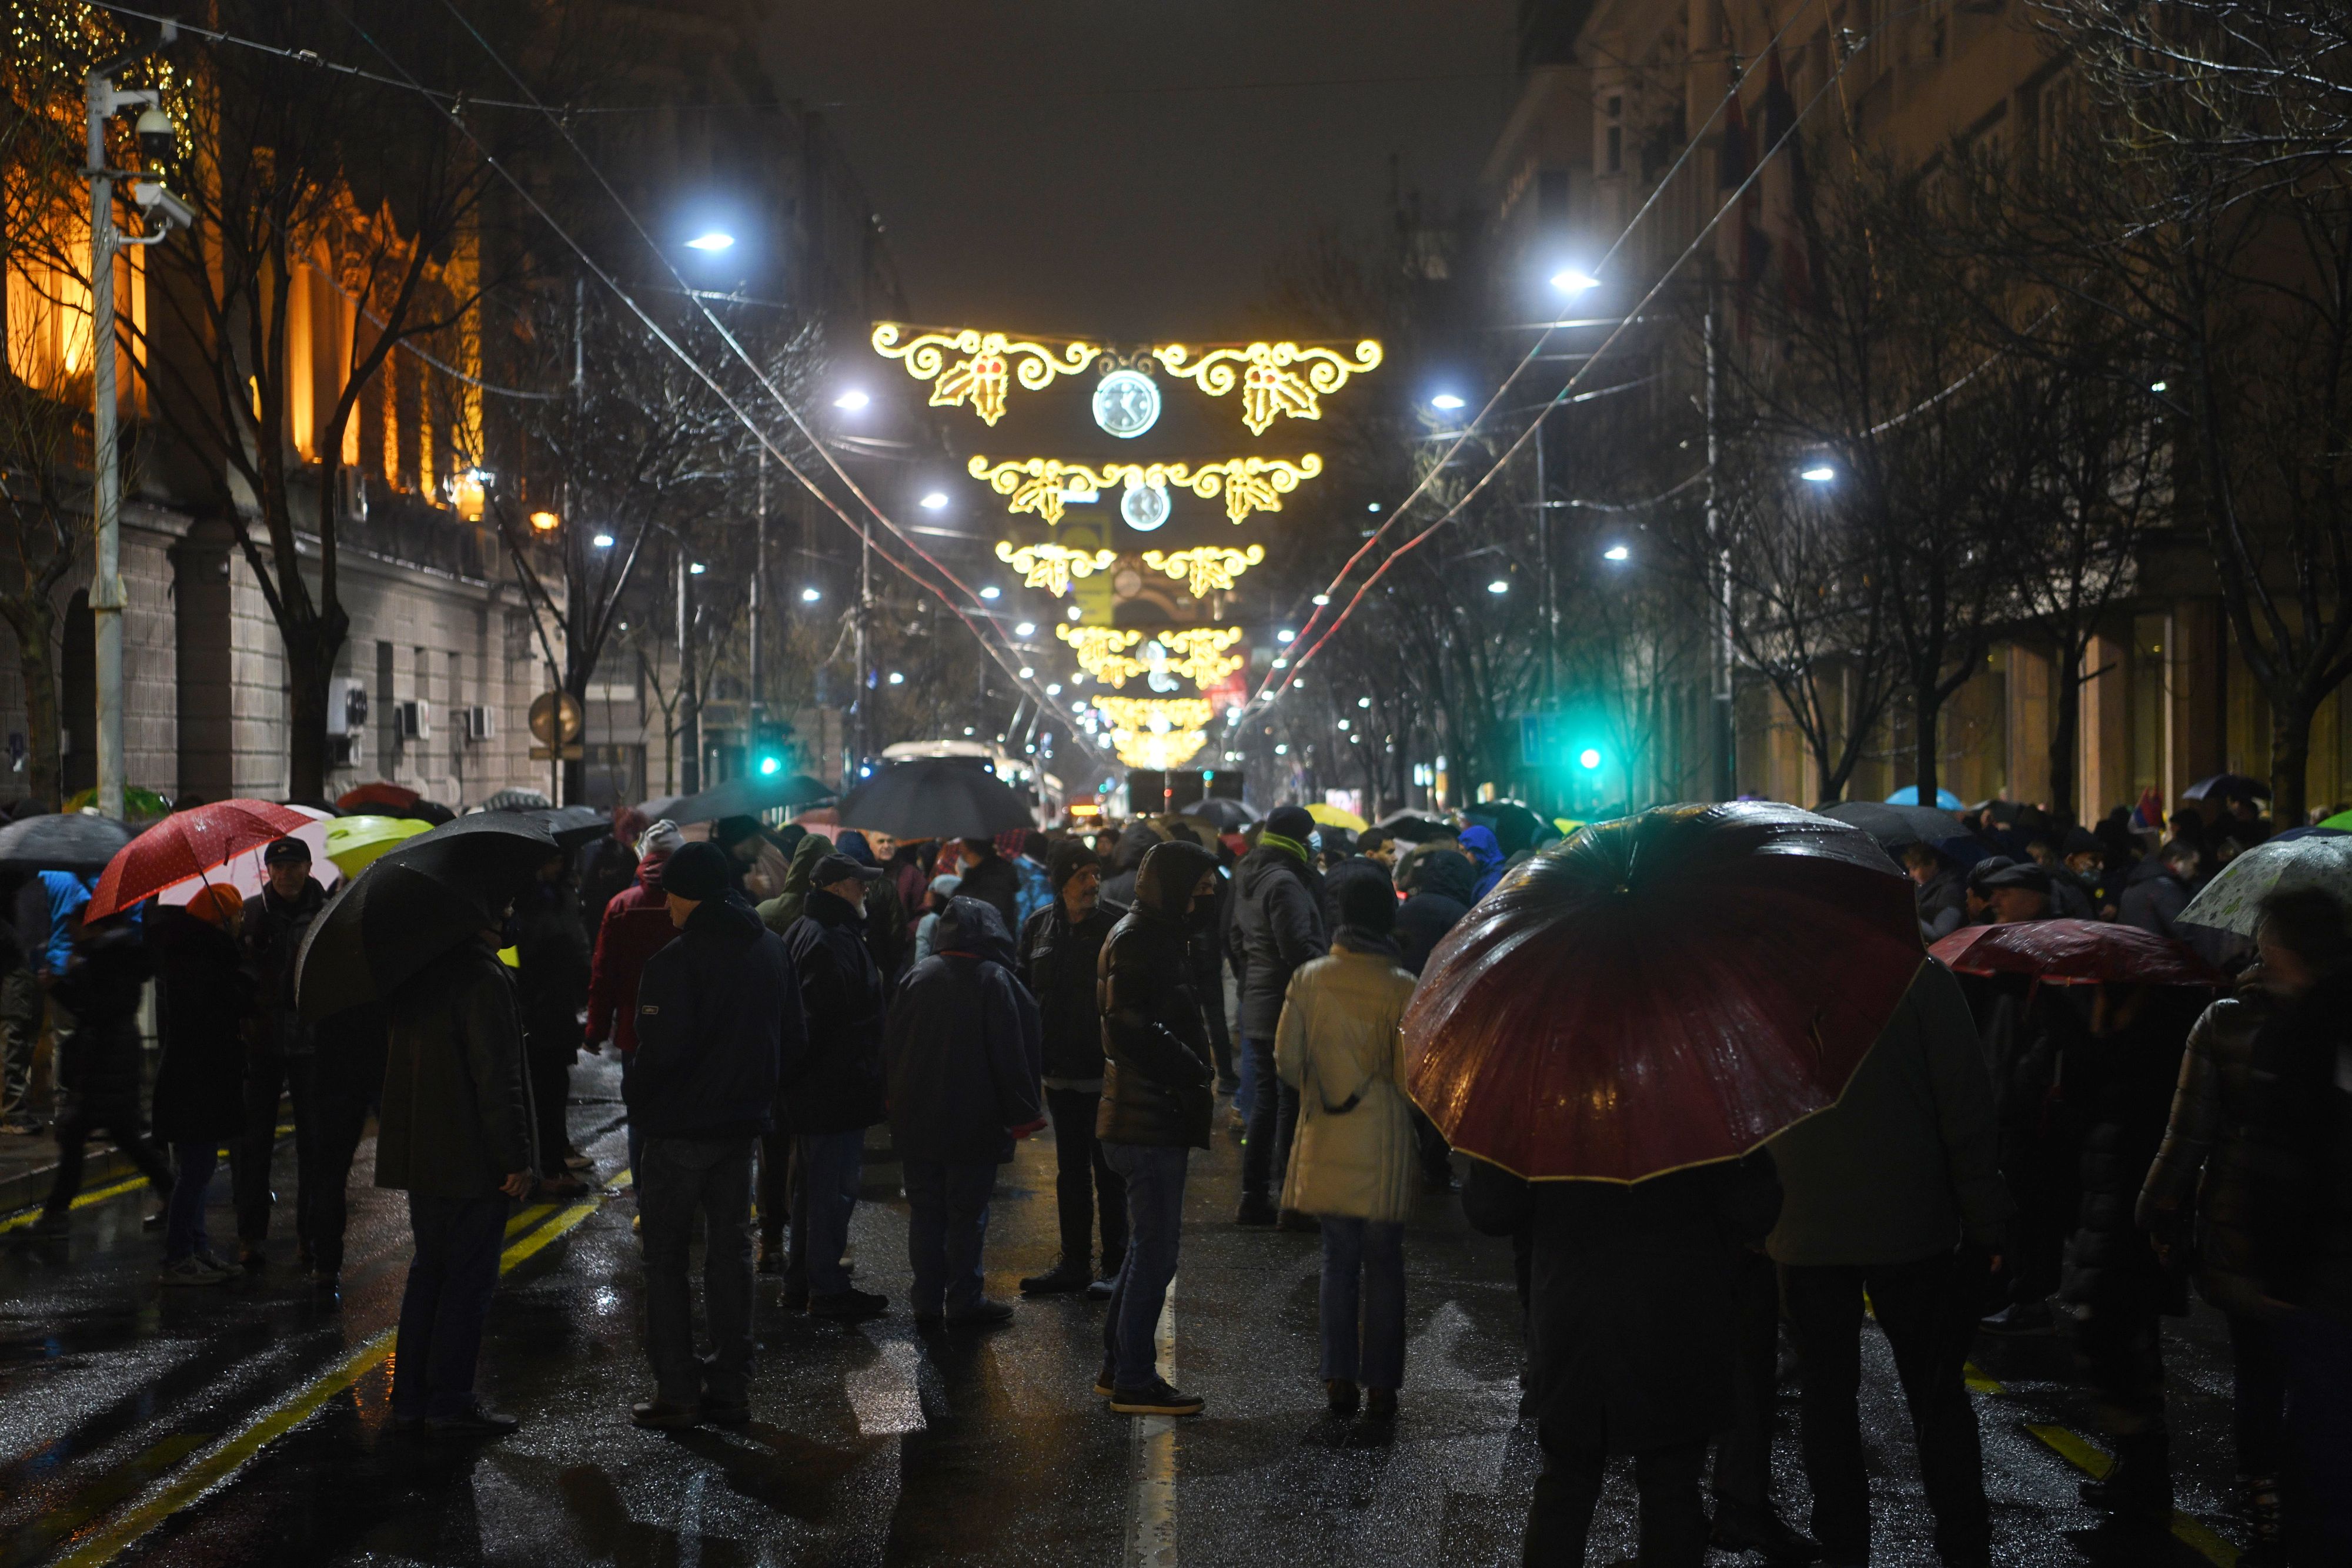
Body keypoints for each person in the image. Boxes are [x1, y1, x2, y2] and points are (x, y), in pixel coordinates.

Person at [1766, 962, 2012, 1568]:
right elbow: (1965, 1102)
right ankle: (1962, 1536)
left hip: (1802, 1224)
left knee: (1826, 1391)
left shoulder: (1765, 985)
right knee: (1934, 1391)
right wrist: (1987, 1220)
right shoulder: (1918, 977)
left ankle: (1842, 1540)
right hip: (1912, 1221)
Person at [1465, 1149, 1782, 1565]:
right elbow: (1755, 1209)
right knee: (1671, 1496)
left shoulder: (1548, 1097)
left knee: (1566, 1490)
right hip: (1679, 1320)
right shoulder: (1701, 1096)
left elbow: (1492, 1208)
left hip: (1575, 1318)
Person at [624, 841, 800, 1430]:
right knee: (730, 1256)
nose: (666, 904)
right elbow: (793, 1038)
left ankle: (678, 1389)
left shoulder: (675, 962)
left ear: (688, 894)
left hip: (679, 1133)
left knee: (667, 1260)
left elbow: (658, 1055)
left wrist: (641, 1103)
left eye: (671, 894)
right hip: (743, 1127)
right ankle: (731, 1386)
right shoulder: (771, 949)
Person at [2140, 970, 2288, 1557]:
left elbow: (2187, 1132)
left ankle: (2266, 1512)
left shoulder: (2226, 1022)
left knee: (2259, 1373)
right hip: (2320, 1234)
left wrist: (2155, 1210)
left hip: (2243, 1225)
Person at [377, 918, 537, 1439]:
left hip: (426, 1155)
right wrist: (515, 1156)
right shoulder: (483, 978)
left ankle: (410, 1399)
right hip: (471, 1158)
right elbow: (496, 1075)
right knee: (468, 1282)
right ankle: (450, 1400)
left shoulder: (421, 972)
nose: (514, 910)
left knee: (430, 1274)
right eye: (506, 902)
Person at [2057, 980, 2204, 1537]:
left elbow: (2113, 1096)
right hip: (2112, 1200)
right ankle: (2138, 1474)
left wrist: (2092, 1034)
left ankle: (2145, 1481)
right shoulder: (2135, 1025)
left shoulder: (2155, 1032)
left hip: (2131, 1208)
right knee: (2126, 1340)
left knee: (2110, 1336)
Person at [1276, 872, 1418, 1420]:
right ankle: (1382, 1383)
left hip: (1329, 1130)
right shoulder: (1403, 985)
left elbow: (1287, 1063)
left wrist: (1320, 1086)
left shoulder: (1309, 978)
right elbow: (1411, 1081)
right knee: (1385, 1262)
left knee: (1338, 1260)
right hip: (1384, 1141)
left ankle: (1338, 1376)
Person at [2237, 888, 2352, 1562]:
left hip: (2323, 1268)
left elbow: (2287, 1162)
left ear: (2285, 947)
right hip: (2327, 1260)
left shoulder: (2299, 1029)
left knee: (2321, 1426)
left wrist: (2277, 1269)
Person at [1095, 837, 1221, 1416]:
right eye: (1197, 891)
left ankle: (1119, 1366)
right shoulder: (1141, 938)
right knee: (1156, 1252)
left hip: (1148, 1115)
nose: (1204, 901)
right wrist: (1192, 1070)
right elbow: (1130, 1026)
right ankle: (1136, 1379)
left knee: (1147, 1249)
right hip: (1147, 1120)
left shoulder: (1154, 933)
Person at [886, 895, 1043, 1329]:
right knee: (966, 1215)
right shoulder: (994, 979)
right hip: (975, 1119)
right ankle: (963, 1300)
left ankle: (925, 1299)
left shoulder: (918, 975)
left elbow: (893, 1046)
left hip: (918, 1119)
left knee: (926, 1210)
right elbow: (1011, 1053)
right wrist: (1023, 1113)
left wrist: (892, 1102)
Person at [780, 851, 890, 1320]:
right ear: (836, 887)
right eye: (857, 881)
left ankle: (805, 1280)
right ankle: (825, 1287)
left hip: (823, 1091)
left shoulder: (816, 931)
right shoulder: (829, 938)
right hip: (833, 1091)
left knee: (814, 1191)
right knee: (831, 1190)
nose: (865, 888)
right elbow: (823, 1023)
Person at [1016, 841, 1124, 1297]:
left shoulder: (1117, 926)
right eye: (1082, 875)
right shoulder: (1039, 926)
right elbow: (1024, 995)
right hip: (1059, 1075)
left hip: (1105, 1074)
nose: (1093, 883)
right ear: (1062, 882)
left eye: (1096, 874)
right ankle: (1075, 1261)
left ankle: (1118, 1264)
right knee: (1071, 1172)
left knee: (1111, 1172)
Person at [33, 907, 175, 1246]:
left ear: (91, 927)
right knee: (119, 1135)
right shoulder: (113, 954)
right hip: (111, 1056)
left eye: (74, 928)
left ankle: (55, 1214)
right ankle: (172, 1193)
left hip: (106, 1058)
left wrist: (64, 983)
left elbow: (96, 1007)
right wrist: (64, 984)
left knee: (78, 1134)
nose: (70, 935)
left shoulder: (105, 958)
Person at [148, 888, 254, 1285]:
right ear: (220, 918)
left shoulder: (199, 953)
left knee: (200, 1167)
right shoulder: (200, 959)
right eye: (237, 913)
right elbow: (225, 1006)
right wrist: (240, 972)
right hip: (196, 1080)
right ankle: (180, 1254)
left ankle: (198, 1247)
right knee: (196, 1169)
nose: (243, 919)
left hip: (199, 1078)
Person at [1230, 804, 1328, 1228]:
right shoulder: (1285, 882)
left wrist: (1252, 977)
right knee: (1287, 1101)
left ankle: (1254, 1196)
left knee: (1267, 1102)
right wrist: (1328, 964)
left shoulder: (1249, 874)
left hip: (1258, 997)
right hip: (1285, 1001)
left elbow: (1236, 939)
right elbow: (1296, 949)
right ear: (1297, 840)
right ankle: (1290, 1199)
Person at [586, 820, 683, 1186]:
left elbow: (603, 974)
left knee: (640, 1116)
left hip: (634, 1031)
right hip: (685, 1029)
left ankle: (646, 1201)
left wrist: (595, 1030)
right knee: (681, 1116)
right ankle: (680, 1201)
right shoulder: (692, 904)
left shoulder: (621, 905)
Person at [510, 849, 591, 1199]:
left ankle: (550, 1162)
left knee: (549, 1088)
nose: (559, 866)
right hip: (542, 1011)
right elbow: (552, 950)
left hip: (548, 1009)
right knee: (546, 1090)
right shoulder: (533, 905)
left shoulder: (547, 899)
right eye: (553, 860)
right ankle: (548, 1167)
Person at [837, 830, 910, 982]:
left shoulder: (835, 886)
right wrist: (890, 970)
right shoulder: (885, 886)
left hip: (843, 966)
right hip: (879, 966)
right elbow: (897, 933)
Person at [576, 805, 646, 934]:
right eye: (628, 830)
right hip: (607, 923)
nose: (633, 836)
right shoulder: (609, 855)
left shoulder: (638, 857)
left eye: (637, 831)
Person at [2120, 839, 2203, 938]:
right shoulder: (2166, 888)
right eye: (2194, 865)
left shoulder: (2140, 881)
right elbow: (2186, 932)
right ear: (2176, 861)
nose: (2196, 872)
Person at [951, 835, 1024, 934]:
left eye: (962, 842)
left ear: (968, 848)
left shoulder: (993, 878)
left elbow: (988, 915)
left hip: (988, 944)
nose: (959, 846)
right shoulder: (991, 873)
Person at [1903, 843, 1969, 942]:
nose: (1911, 875)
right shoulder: (1924, 889)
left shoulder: (1951, 891)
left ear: (1932, 864)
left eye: (1914, 868)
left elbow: (1940, 934)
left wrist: (1906, 915)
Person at [1980, 860, 2054, 924]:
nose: (1993, 903)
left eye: (2003, 894)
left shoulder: (2055, 938)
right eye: (1994, 894)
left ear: (2033, 902)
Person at [913, 873, 961, 964]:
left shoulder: (929, 921)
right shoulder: (965, 920)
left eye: (932, 891)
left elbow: (921, 955)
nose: (927, 894)